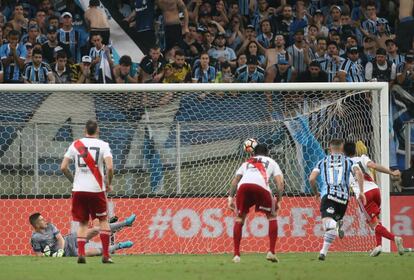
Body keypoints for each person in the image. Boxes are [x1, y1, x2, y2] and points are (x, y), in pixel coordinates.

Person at [60, 120, 114, 264]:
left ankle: (81, 254)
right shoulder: (103, 145)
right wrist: (108, 184)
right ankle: (106, 255)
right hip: (97, 189)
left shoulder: (75, 144)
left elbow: (63, 167)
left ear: (85, 130)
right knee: (103, 221)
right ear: (98, 130)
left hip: (78, 190)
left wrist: (74, 182)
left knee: (83, 223)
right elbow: (109, 167)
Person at [342, 141, 404, 256]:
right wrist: (391, 173)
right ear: (355, 150)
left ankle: (395, 239)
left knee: (373, 224)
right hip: (376, 191)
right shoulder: (363, 158)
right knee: (376, 220)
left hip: (364, 195)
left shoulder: (345, 164)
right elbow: (374, 166)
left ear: (343, 153)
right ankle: (378, 245)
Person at [308, 139, 365, 261]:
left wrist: (316, 192)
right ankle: (323, 252)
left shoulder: (322, 161)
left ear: (329, 148)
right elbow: (359, 173)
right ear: (342, 147)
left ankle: (336, 225)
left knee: (327, 223)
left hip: (329, 195)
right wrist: (361, 192)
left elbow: (311, 179)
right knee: (330, 228)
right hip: (344, 199)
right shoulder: (349, 161)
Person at [227, 144, 284, 263]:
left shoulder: (246, 163)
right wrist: (278, 200)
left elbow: (235, 180)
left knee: (239, 219)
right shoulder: (271, 162)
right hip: (261, 187)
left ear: (254, 153)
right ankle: (271, 252)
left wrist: (230, 198)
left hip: (243, 187)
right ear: (267, 153)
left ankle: (236, 255)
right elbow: (280, 183)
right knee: (272, 216)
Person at [29, 212, 136, 257]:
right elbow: (39, 255)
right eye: (42, 220)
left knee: (96, 229)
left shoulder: (50, 226)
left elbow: (60, 239)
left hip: (70, 240)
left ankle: (126, 223)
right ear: (36, 224)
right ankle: (119, 246)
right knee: (96, 252)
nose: (45, 221)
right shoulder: (35, 238)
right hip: (70, 253)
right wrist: (51, 256)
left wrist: (60, 251)